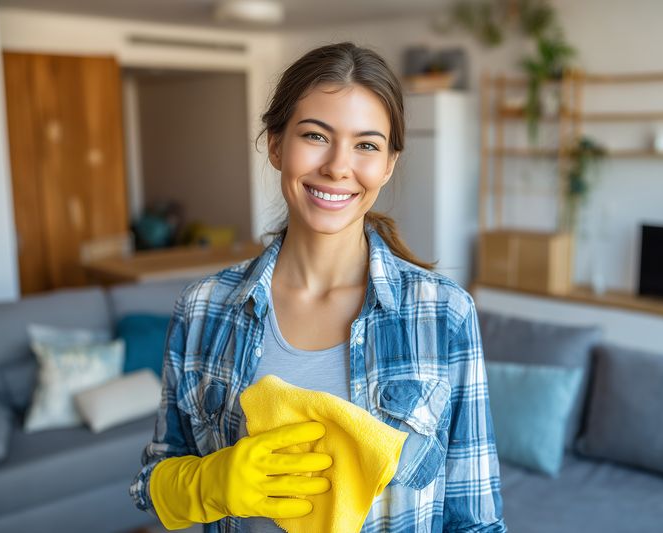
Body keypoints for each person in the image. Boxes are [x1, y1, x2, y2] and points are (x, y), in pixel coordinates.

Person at [129, 41, 507, 533]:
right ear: (275, 145)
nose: (337, 166)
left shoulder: (444, 312)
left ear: (388, 164)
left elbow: (476, 522)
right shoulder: (202, 308)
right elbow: (150, 485)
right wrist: (209, 483)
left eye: (366, 145)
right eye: (315, 135)